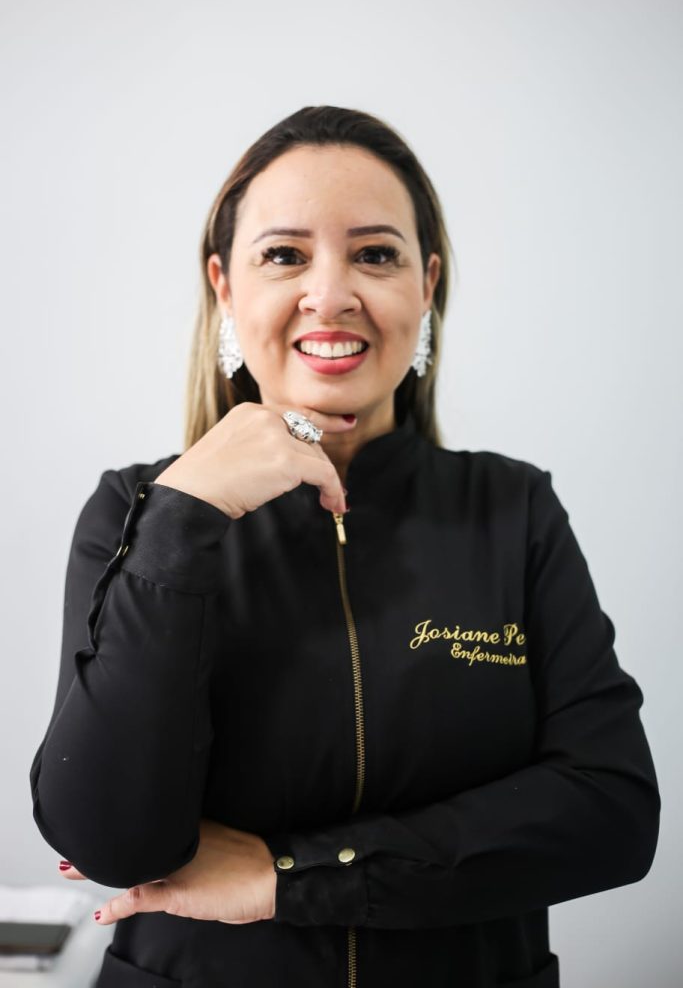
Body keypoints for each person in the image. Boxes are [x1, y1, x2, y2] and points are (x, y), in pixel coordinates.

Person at [29, 104, 660, 988]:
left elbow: (610, 813)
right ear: (224, 286)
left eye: (375, 254)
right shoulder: (136, 510)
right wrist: (183, 518)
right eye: (284, 255)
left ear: (426, 283)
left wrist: (289, 877)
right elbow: (110, 839)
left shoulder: (512, 509)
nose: (329, 295)